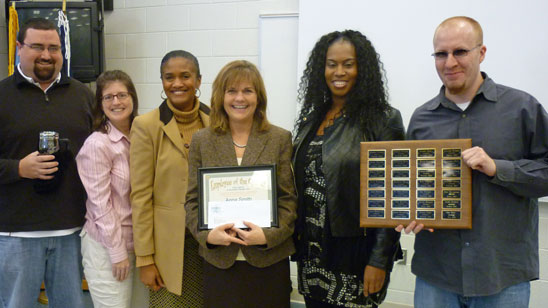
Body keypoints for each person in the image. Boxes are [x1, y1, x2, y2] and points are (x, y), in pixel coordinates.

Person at [396, 16, 548, 308]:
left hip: (501, 276)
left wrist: (498, 169)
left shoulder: (522, 109)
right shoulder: (421, 118)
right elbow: (412, 184)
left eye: (460, 52)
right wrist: (409, 210)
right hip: (437, 274)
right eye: (441, 54)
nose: (449, 62)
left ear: (482, 52)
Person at [0, 18, 93, 308]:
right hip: (15, 233)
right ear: (19, 48)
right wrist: (18, 169)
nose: (46, 55)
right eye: (37, 47)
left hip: (71, 232)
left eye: (53, 48)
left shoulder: (83, 95)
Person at [292, 30, 404, 308]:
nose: (338, 71)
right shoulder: (310, 116)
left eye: (348, 64)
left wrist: (379, 261)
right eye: (331, 64)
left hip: (355, 255)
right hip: (312, 252)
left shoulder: (383, 118)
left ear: (362, 68)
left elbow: (393, 194)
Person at [185, 60, 297, 308]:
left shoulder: (279, 138)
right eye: (232, 91)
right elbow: (192, 201)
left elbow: (288, 201)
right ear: (220, 96)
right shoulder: (202, 140)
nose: (240, 98)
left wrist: (267, 236)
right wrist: (208, 236)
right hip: (220, 263)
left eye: (248, 90)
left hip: (268, 261)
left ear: (259, 97)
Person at [130, 50, 209, 307]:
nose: (177, 83)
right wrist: (145, 259)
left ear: (198, 80)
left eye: (185, 76)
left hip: (212, 244)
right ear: (162, 81)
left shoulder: (218, 120)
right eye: (169, 77)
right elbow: (140, 196)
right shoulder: (146, 125)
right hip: (168, 248)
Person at [76, 70, 139, 307]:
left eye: (122, 95)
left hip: (140, 244)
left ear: (133, 98)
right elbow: (100, 205)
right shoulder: (97, 144)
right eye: (108, 97)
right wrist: (117, 252)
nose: (116, 102)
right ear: (100, 105)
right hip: (107, 247)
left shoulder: (142, 136)